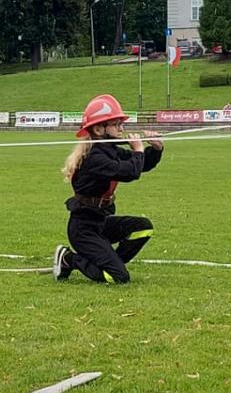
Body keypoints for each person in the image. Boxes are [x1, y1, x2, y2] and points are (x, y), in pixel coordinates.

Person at [50, 94, 163, 284]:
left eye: (121, 124)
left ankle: (111, 262)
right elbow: (129, 173)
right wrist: (138, 150)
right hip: (84, 230)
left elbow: (141, 165)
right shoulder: (94, 158)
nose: (122, 129)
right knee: (118, 277)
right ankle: (69, 259)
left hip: (101, 222)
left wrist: (156, 150)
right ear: (99, 128)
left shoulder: (110, 151)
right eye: (116, 124)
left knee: (143, 227)